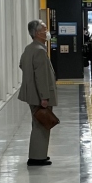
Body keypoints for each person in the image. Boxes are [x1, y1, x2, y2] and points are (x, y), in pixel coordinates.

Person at [18, 19, 58, 166]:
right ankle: (37, 157)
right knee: (42, 125)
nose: (47, 32)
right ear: (37, 33)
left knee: (37, 124)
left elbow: (22, 64)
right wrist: (44, 97)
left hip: (31, 93)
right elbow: (41, 77)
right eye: (44, 30)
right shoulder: (40, 51)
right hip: (39, 96)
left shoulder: (29, 48)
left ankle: (38, 154)